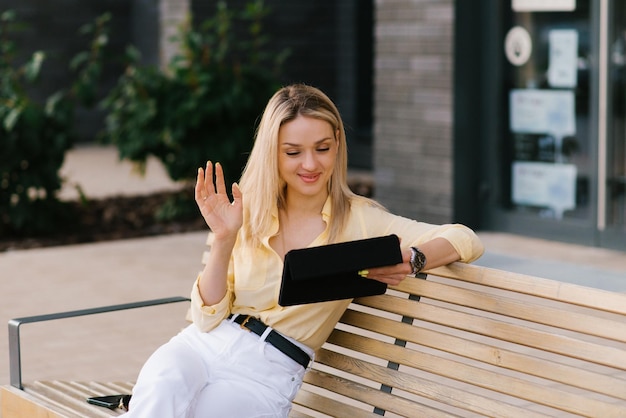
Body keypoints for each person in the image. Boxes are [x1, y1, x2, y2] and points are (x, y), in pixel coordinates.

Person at [124, 83, 484, 417]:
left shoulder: (362, 221)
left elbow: (464, 237)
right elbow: (205, 318)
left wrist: (413, 258)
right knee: (162, 384)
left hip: (266, 374)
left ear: (338, 142)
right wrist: (223, 239)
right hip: (201, 348)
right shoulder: (245, 210)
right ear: (273, 153)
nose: (310, 165)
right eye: (293, 152)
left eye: (322, 149)